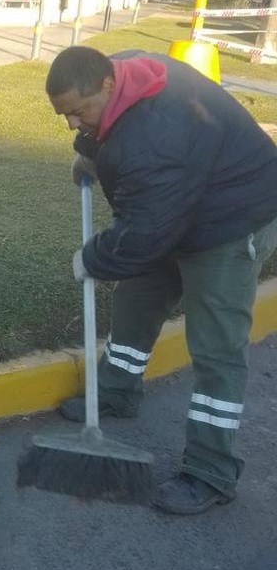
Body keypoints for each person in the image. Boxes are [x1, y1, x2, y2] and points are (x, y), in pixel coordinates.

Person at [46, 46, 277, 515]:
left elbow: (143, 234)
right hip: (178, 203)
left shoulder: (155, 134)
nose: (72, 123)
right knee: (137, 301)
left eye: (79, 112)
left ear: (108, 87)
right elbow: (114, 145)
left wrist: (92, 258)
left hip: (233, 219)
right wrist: (89, 152)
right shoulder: (119, 70)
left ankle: (211, 471)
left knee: (216, 346)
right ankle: (116, 391)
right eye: (65, 115)